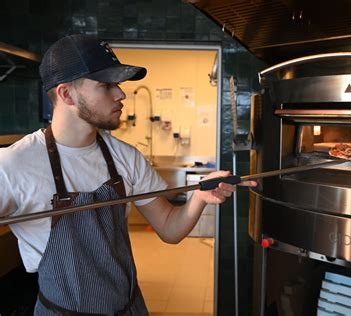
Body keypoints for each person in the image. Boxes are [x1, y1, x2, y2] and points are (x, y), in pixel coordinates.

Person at [0, 34, 256, 315]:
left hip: (130, 309)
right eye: (106, 85)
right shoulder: (14, 165)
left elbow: (170, 228)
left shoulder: (125, 157)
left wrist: (199, 198)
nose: (121, 94)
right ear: (65, 94)